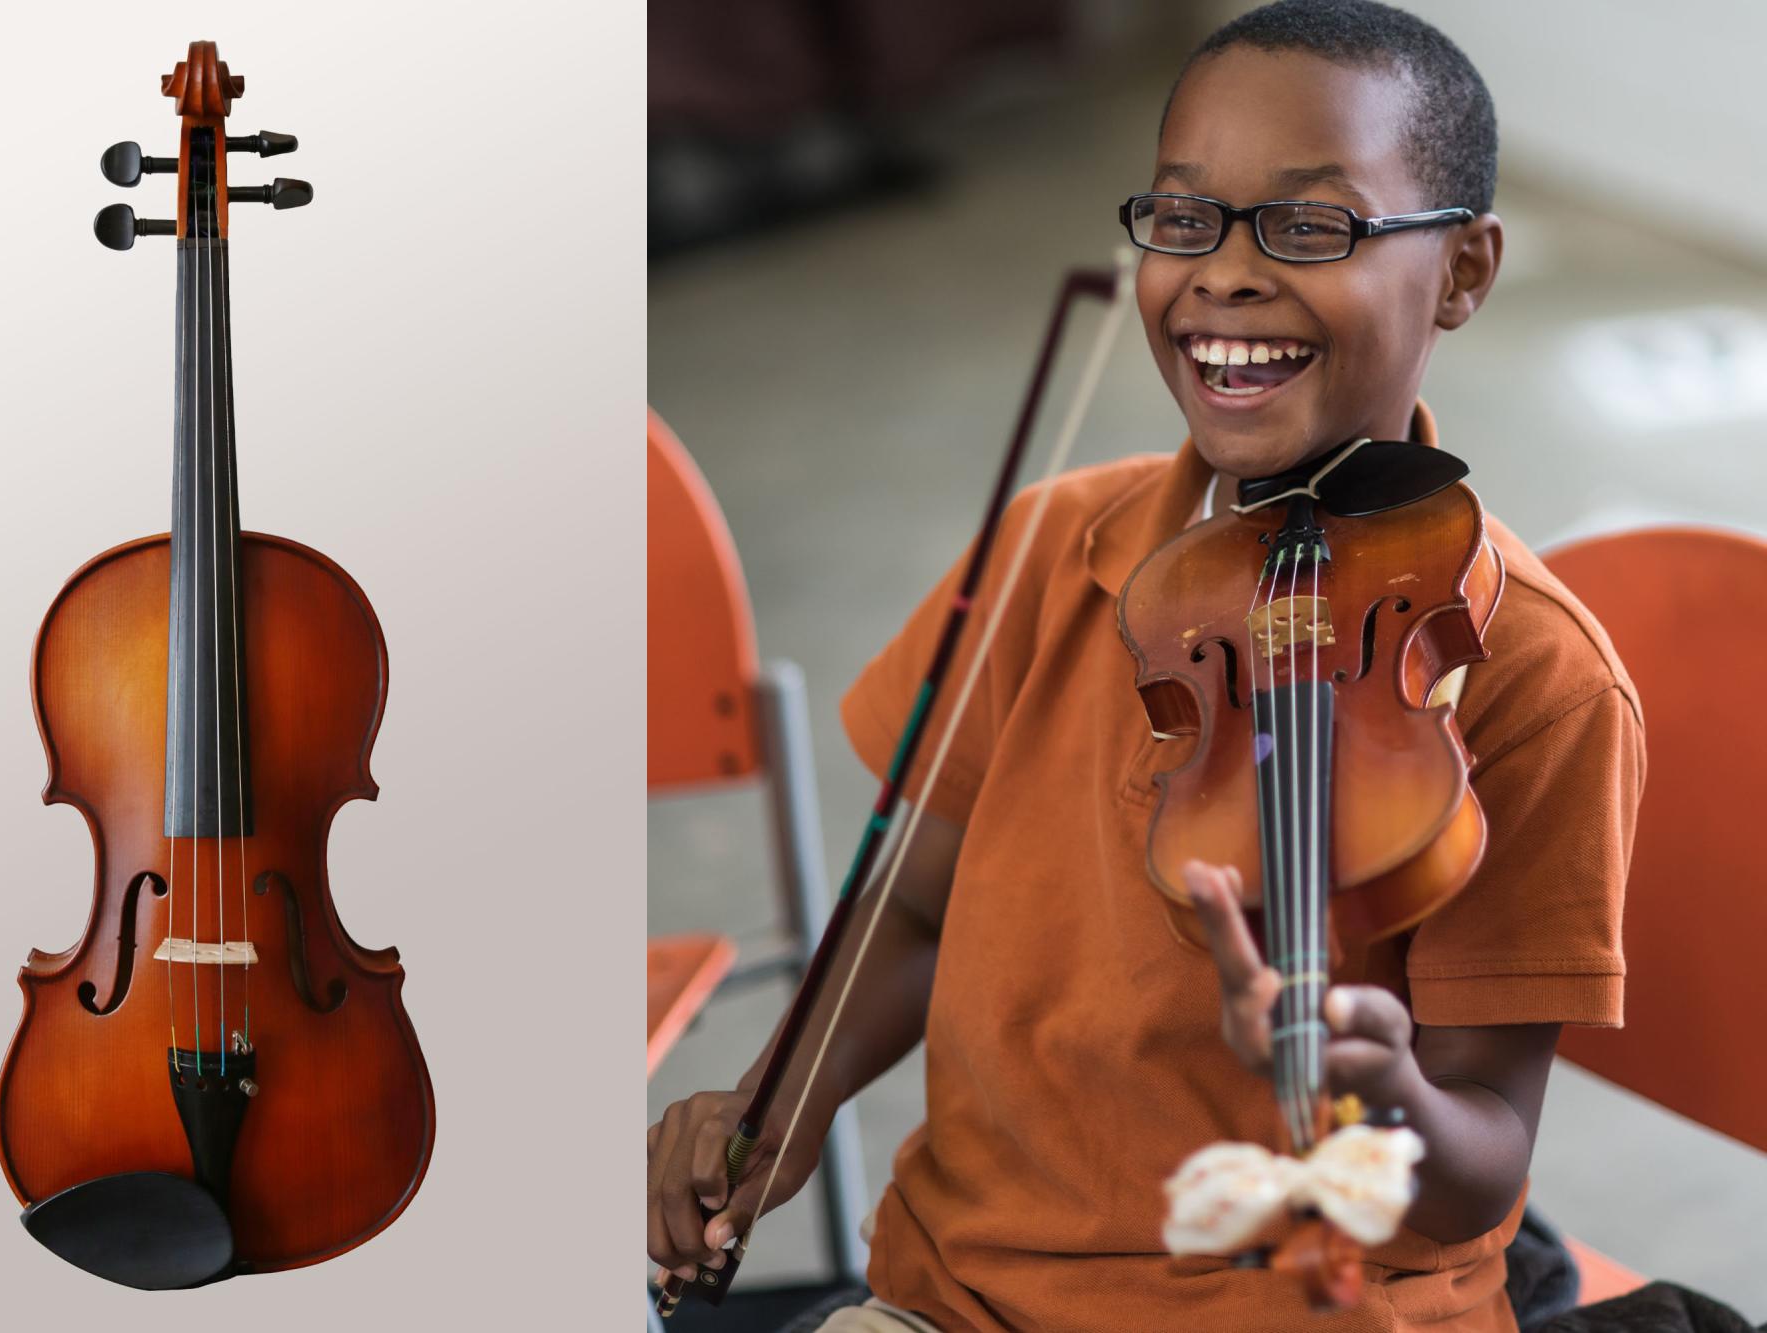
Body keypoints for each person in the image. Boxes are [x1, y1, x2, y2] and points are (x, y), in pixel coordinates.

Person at [647, 2, 1645, 1328]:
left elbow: (1472, 1174)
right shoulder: (1053, 544)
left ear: (1462, 271)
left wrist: (1387, 1088)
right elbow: (922, 903)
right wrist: (781, 1094)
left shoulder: (1521, 671)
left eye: (1310, 225)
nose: (1222, 273)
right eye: (1184, 219)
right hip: (957, 1300)